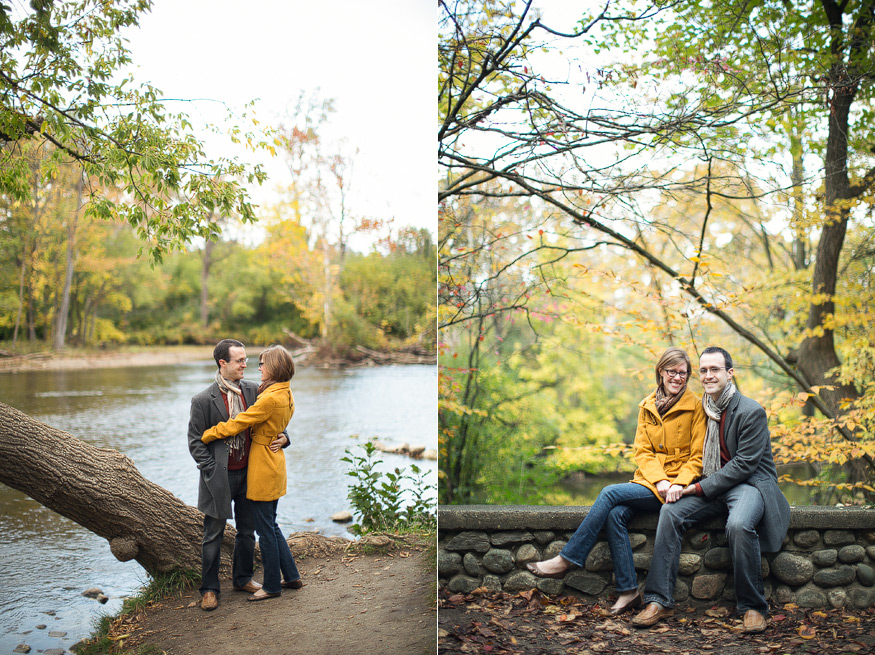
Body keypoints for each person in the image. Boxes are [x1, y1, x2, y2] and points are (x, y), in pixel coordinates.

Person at [527, 347, 706, 615]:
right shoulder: (647, 406)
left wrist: (677, 484)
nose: (678, 378)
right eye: (672, 371)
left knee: (609, 493)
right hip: (651, 483)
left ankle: (567, 558)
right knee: (615, 515)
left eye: (683, 373)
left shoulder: (697, 406)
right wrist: (658, 480)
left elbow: (698, 456)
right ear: (661, 371)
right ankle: (628, 591)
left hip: (678, 488)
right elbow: (642, 452)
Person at [632, 346, 791, 633]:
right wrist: (673, 481)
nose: (708, 375)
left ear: (730, 373)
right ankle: (658, 601)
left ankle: (753, 607)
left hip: (748, 485)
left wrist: (695, 488)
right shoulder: (701, 407)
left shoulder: (751, 411)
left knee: (739, 525)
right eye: (704, 370)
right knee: (670, 512)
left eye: (715, 369)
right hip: (712, 485)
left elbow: (744, 465)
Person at [188, 339, 292, 611]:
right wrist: (211, 469)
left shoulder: (255, 390)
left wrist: (285, 438)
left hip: (250, 474)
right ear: (222, 363)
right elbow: (195, 442)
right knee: (213, 534)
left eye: (247, 360)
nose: (246, 365)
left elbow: (273, 418)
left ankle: (243, 579)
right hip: (217, 478)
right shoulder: (202, 400)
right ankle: (209, 589)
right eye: (240, 361)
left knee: (247, 531)